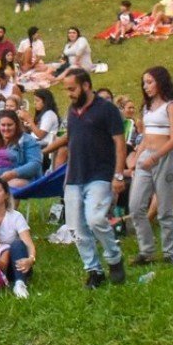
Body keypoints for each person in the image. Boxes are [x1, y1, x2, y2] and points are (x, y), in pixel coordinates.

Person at [60, 68, 127, 288]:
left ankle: (114, 258)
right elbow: (70, 141)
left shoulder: (107, 109)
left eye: (72, 89)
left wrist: (118, 175)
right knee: (76, 228)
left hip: (100, 174)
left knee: (96, 219)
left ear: (86, 85)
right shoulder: (72, 111)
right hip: (74, 176)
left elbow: (119, 143)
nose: (69, 93)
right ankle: (93, 270)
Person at [128, 67, 173, 265]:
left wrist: (156, 156)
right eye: (144, 83)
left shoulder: (171, 106)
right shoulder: (147, 106)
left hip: (165, 157)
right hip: (147, 156)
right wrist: (138, 154)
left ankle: (170, 252)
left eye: (150, 82)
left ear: (160, 82)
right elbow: (145, 136)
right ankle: (147, 250)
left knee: (165, 208)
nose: (146, 86)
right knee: (136, 206)